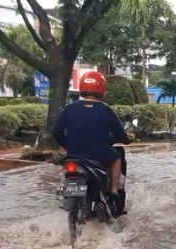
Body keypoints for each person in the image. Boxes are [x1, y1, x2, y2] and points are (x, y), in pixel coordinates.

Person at [49, 71, 134, 214]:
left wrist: (69, 146)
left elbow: (55, 131)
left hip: (75, 156)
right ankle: (113, 190)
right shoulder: (106, 110)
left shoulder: (69, 109)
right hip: (98, 155)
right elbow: (120, 135)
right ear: (101, 88)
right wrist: (128, 139)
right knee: (117, 156)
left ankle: (68, 202)